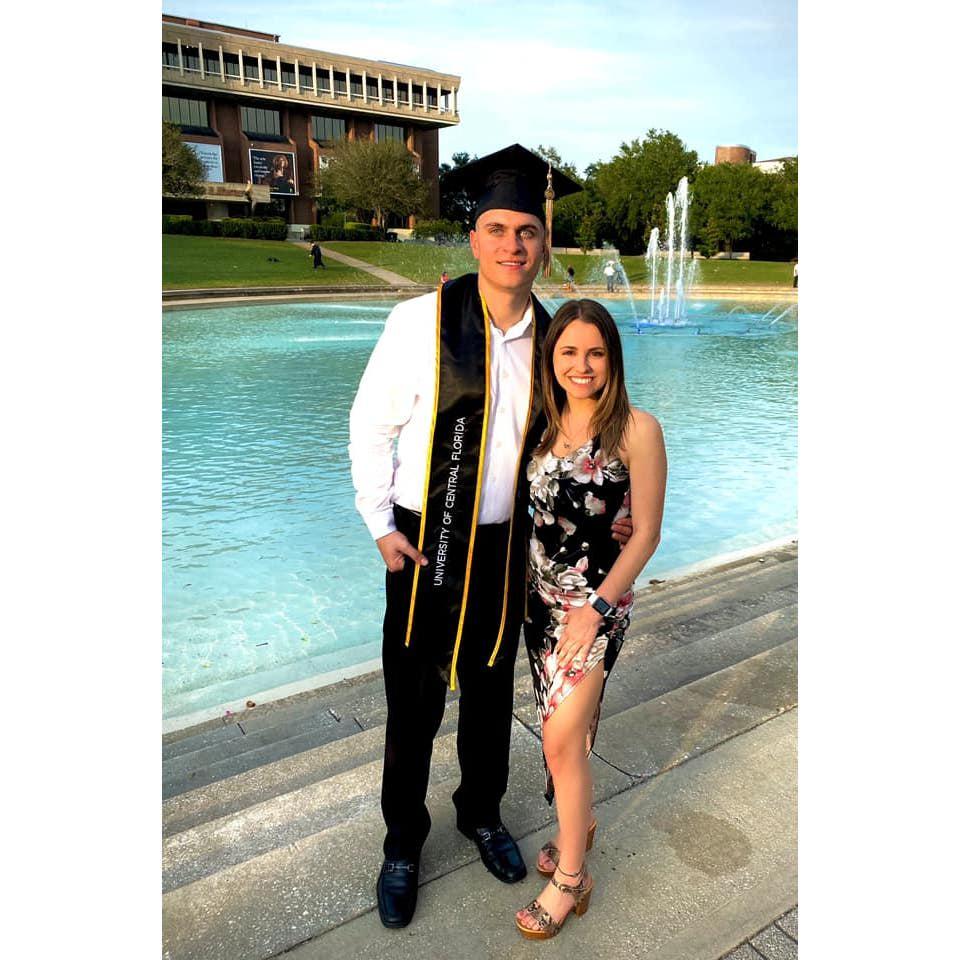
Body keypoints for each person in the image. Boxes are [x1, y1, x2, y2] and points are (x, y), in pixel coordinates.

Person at [349, 145, 631, 930]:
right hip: (426, 540)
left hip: (512, 548)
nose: (513, 245)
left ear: (544, 243)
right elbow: (370, 425)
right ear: (473, 238)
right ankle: (403, 844)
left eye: (527, 232)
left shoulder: (556, 339)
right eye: (498, 230)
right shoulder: (420, 322)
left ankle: (481, 811)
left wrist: (617, 516)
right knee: (412, 701)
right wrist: (379, 524)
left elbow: (590, 438)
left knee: (488, 691)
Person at [515, 299, 666, 940]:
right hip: (539, 605)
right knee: (565, 739)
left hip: (595, 610)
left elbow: (646, 534)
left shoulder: (636, 430)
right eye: (569, 351)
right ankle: (579, 826)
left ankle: (573, 878)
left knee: (558, 740)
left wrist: (595, 610)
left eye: (596, 352)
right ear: (551, 357)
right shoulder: (540, 424)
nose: (582, 365)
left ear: (613, 359)